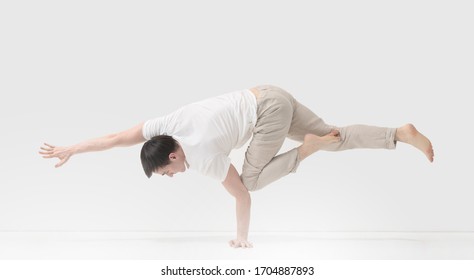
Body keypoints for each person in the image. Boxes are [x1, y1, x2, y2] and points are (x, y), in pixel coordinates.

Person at [39, 84, 434, 249]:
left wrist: (241, 239)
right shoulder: (163, 126)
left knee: (253, 178)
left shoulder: (204, 159)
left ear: (174, 157)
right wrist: (72, 148)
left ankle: (307, 151)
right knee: (336, 137)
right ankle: (399, 133)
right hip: (268, 92)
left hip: (266, 116)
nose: (172, 178)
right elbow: (112, 139)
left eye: (166, 173)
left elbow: (242, 194)